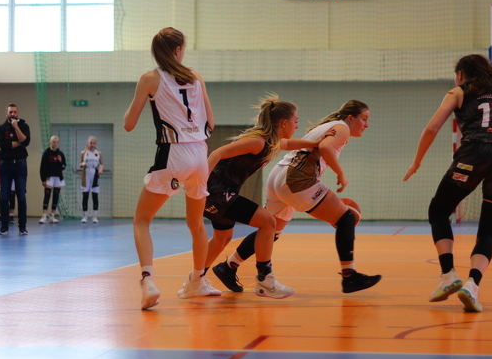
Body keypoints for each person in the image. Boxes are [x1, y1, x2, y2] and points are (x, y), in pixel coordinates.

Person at [213, 100, 382, 295]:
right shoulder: (342, 128)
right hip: (297, 179)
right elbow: (326, 147)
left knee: (271, 231)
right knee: (346, 218)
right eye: (364, 119)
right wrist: (340, 174)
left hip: (280, 175)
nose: (366, 124)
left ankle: (229, 266)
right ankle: (349, 276)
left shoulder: (329, 125)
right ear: (350, 118)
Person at [404, 54, 492, 313]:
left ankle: (449, 275)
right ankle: (472, 285)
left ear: (460, 74)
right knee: (488, 231)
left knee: (439, 211)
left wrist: (416, 162)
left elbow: (432, 128)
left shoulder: (458, 92)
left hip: (475, 154)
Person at [203, 94, 334, 299]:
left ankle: (195, 279)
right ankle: (265, 279)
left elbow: (287, 143)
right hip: (217, 191)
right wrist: (200, 184)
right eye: (296, 121)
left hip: (220, 192)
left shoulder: (270, 141)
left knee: (222, 239)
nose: (297, 126)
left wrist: (317, 143)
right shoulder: (257, 142)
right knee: (268, 222)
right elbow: (216, 153)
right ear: (284, 123)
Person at [124, 27, 215, 310]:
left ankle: (148, 281)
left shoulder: (150, 78)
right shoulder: (196, 77)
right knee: (196, 224)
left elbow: (128, 124)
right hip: (200, 153)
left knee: (141, 220)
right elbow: (211, 124)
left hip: (173, 152)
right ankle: (198, 281)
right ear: (177, 50)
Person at [0, 103, 31, 236]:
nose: (13, 114)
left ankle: (22, 227)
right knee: (4, 196)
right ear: (6, 113)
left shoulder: (24, 126)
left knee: (21, 195)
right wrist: (20, 142)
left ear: (18, 113)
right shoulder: (0, 128)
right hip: (5, 165)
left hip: (20, 164)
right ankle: (4, 227)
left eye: (15, 112)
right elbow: (3, 145)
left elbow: (26, 142)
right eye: (10, 112)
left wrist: (16, 127)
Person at [40, 135, 66, 224]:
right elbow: (42, 167)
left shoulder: (60, 153)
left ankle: (52, 215)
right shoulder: (46, 153)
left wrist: (60, 161)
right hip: (49, 177)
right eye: (53, 142)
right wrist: (43, 179)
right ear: (50, 142)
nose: (55, 144)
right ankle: (44, 216)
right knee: (47, 195)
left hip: (58, 177)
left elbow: (63, 166)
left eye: (57, 142)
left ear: (58, 143)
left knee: (56, 196)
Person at [79, 136, 103, 223]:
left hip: (94, 174)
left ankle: (95, 216)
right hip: (86, 173)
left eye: (94, 143)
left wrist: (101, 169)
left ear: (96, 144)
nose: (92, 145)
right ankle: (85, 216)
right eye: (91, 143)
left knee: (95, 195)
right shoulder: (83, 152)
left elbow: (101, 164)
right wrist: (82, 164)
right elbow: (80, 163)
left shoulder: (98, 153)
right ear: (88, 143)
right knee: (85, 195)